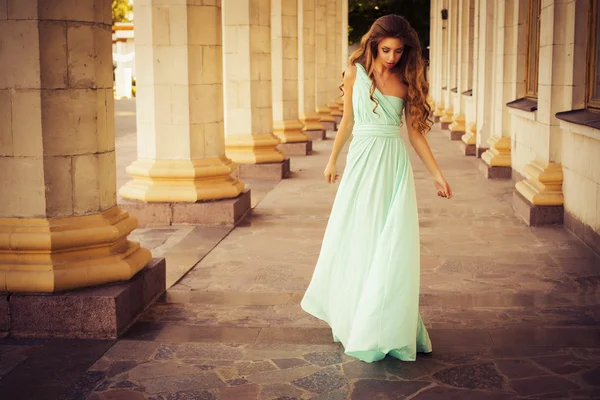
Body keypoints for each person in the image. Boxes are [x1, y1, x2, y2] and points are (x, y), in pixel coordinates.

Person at [300, 14, 452, 363]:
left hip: (392, 165)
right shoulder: (355, 73)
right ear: (373, 45)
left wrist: (436, 174)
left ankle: (387, 323)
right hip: (361, 162)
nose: (392, 58)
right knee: (358, 235)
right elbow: (348, 122)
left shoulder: (406, 79)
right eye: (386, 50)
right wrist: (332, 160)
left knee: (391, 240)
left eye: (399, 51)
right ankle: (356, 316)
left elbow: (415, 133)